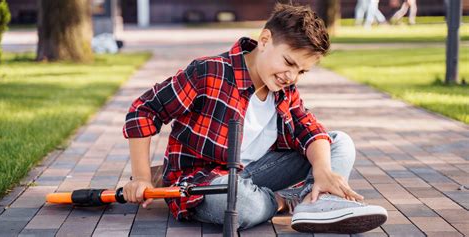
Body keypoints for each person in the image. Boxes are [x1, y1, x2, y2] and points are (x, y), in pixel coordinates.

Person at [122, 3, 388, 234]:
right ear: (264, 40)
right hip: (206, 182)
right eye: (289, 62)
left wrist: (323, 170)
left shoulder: (284, 89)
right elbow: (144, 110)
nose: (292, 77)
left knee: (339, 143)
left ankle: (317, 201)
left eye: (302, 72)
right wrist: (141, 177)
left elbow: (309, 129)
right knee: (240, 206)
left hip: (255, 173)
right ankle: (297, 202)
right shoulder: (209, 72)